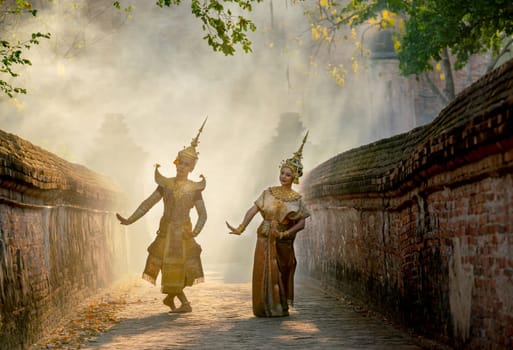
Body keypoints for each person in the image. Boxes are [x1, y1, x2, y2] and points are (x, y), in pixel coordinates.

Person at [116, 119, 207, 313]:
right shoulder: (165, 184)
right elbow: (147, 204)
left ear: (191, 168)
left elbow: (203, 215)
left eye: (185, 165)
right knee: (167, 266)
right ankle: (179, 302)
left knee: (183, 269)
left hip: (184, 234)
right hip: (166, 232)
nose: (180, 167)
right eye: (179, 163)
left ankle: (178, 301)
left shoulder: (195, 189)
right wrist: (129, 219)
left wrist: (195, 232)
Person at [226, 132, 310, 317]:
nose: (284, 176)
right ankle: (264, 307)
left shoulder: (297, 199)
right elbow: (253, 210)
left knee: (280, 271)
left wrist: (285, 234)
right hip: (264, 237)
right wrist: (241, 227)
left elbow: (302, 222)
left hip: (282, 240)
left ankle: (279, 307)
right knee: (264, 271)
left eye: (288, 174)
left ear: (295, 177)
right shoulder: (268, 193)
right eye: (282, 173)